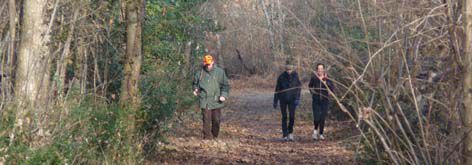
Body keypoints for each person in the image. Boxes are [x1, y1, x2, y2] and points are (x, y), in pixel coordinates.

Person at [192, 54, 230, 139]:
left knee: (216, 120)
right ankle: (207, 137)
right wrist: (195, 89)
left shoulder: (220, 72)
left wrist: (223, 95)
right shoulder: (199, 73)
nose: (207, 66)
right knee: (206, 119)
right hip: (204, 100)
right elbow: (195, 84)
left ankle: (214, 135)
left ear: (213, 62)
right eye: (206, 64)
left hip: (217, 100)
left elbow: (226, 85)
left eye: (209, 64)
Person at [273, 59, 302, 141]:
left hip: (292, 99)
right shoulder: (281, 77)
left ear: (292, 69)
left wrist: (297, 98)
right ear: (285, 69)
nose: (289, 71)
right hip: (283, 99)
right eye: (287, 69)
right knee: (284, 116)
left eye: (290, 69)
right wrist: (275, 100)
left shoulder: (296, 76)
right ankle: (285, 134)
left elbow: (298, 88)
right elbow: (277, 89)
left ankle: (290, 132)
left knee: (292, 116)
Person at [308, 63, 334, 140]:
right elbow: (310, 86)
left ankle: (321, 133)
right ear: (317, 70)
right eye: (319, 69)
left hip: (325, 100)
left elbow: (332, 88)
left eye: (321, 69)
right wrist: (313, 93)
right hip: (316, 100)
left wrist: (327, 84)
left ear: (324, 69)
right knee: (316, 117)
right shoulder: (314, 78)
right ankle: (315, 132)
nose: (320, 71)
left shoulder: (327, 78)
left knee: (322, 117)